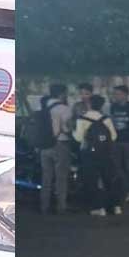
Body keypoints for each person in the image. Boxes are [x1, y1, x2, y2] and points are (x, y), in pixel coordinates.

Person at [74, 95, 120, 216]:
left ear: (89, 104)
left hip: (89, 154)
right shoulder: (106, 119)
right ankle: (115, 206)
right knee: (108, 179)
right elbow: (113, 136)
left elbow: (79, 138)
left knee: (92, 181)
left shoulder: (82, 119)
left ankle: (98, 208)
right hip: (105, 153)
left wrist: (72, 132)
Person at [39, 84, 74, 215]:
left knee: (46, 177)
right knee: (61, 178)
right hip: (60, 144)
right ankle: (61, 207)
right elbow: (68, 128)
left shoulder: (43, 106)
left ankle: (44, 206)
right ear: (62, 94)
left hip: (44, 145)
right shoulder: (64, 109)